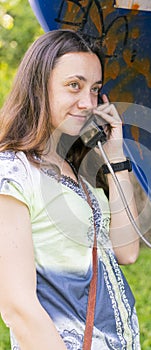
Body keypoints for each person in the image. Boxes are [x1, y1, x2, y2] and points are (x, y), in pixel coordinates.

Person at [0, 29, 140, 349]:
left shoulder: (75, 167)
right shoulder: (13, 171)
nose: (88, 103)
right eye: (73, 85)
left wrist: (115, 155)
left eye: (95, 90)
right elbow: (17, 307)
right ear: (39, 87)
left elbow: (127, 250)